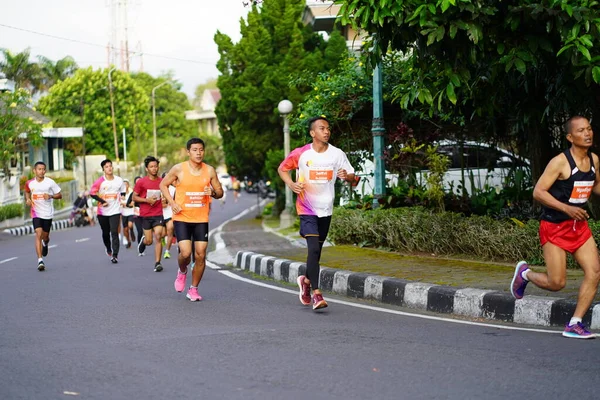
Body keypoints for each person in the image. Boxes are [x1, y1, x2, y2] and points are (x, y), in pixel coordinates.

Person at [511, 116, 600, 339]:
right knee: (557, 282)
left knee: (595, 271)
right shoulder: (560, 162)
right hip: (554, 226)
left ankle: (575, 323)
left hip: (579, 227)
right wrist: (567, 209)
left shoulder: (594, 160)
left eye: (589, 129)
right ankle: (525, 273)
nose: (587, 134)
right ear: (570, 137)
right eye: (581, 131)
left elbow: (595, 184)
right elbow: (538, 192)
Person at [278, 116, 355, 310]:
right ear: (313, 133)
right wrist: (291, 184)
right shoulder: (302, 153)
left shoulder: (337, 154)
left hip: (326, 210)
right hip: (307, 209)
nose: (327, 131)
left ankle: (305, 281)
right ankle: (316, 294)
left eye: (328, 128)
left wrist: (348, 177)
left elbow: (354, 178)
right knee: (313, 249)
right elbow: (282, 169)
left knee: (316, 253)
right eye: (322, 128)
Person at [160, 137, 224, 301]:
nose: (198, 152)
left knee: (201, 255)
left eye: (201, 149)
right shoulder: (179, 169)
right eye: (195, 150)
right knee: (186, 254)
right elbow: (163, 185)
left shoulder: (209, 170)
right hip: (182, 217)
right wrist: (172, 202)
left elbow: (220, 192)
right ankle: (182, 271)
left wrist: (214, 193)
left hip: (201, 218)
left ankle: (193, 289)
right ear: (188, 152)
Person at [24, 161, 63, 271]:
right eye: (39, 169)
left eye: (43, 169)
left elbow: (60, 195)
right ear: (34, 171)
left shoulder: (50, 182)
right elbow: (27, 191)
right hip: (36, 212)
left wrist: (50, 196)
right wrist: (27, 199)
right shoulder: (30, 183)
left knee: (45, 236)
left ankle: (45, 243)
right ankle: (40, 260)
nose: (41, 171)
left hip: (47, 213)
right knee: (38, 233)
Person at [90, 159, 126, 264]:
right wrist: (102, 201)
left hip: (115, 210)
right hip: (103, 212)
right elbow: (92, 193)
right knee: (106, 232)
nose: (109, 168)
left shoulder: (119, 180)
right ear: (103, 169)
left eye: (110, 166)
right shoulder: (100, 181)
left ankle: (115, 255)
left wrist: (122, 196)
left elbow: (122, 189)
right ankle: (108, 248)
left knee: (114, 231)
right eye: (106, 167)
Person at [133, 156, 165, 272]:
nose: (154, 169)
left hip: (158, 213)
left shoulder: (162, 182)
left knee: (159, 235)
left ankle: (157, 263)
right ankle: (144, 241)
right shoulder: (141, 182)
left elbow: (166, 194)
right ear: (147, 169)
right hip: (146, 214)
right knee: (149, 240)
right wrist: (147, 200)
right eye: (151, 167)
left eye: (156, 166)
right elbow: (134, 197)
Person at [161, 172, 176, 260]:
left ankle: (167, 251)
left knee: (170, 230)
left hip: (170, 213)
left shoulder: (173, 189)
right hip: (160, 214)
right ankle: (162, 238)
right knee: (162, 233)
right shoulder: (159, 189)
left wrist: (171, 203)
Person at [128, 176, 143, 254]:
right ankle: (140, 247)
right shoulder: (133, 193)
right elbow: (128, 204)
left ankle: (144, 242)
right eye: (137, 182)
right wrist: (131, 204)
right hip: (137, 214)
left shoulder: (146, 191)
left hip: (146, 213)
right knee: (140, 231)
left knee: (148, 232)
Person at [120, 179, 135, 248]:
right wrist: (124, 204)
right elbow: (119, 203)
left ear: (128, 185)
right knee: (125, 229)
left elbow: (132, 204)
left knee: (130, 225)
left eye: (126, 184)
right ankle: (128, 241)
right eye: (123, 185)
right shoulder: (120, 194)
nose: (125, 186)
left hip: (131, 212)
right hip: (124, 213)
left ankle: (131, 230)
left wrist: (125, 204)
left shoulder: (131, 193)